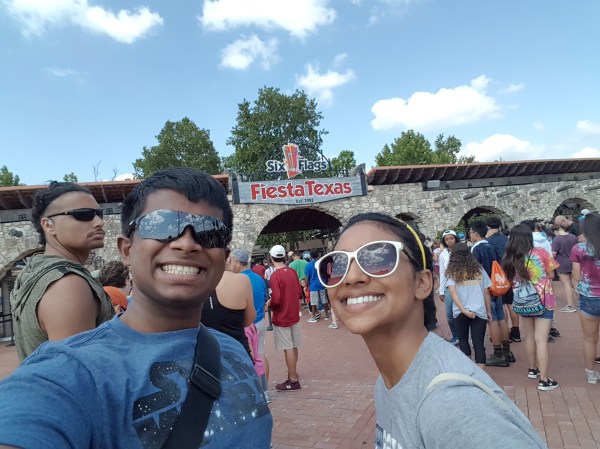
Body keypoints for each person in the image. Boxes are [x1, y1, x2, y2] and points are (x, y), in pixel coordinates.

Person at [0, 167, 273, 448]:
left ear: (223, 257)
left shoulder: (230, 348)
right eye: (162, 225)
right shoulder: (67, 374)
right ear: (126, 250)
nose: (186, 243)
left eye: (209, 232)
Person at [315, 212, 546, 448]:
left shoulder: (453, 403)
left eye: (378, 259)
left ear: (422, 282)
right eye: (338, 264)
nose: (351, 277)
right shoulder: (387, 383)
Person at [9, 181, 114, 361]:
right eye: (84, 214)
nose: (99, 222)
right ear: (48, 225)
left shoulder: (35, 271)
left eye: (99, 214)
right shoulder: (67, 284)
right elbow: (78, 370)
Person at [503, 224, 560, 391]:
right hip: (543, 299)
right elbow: (551, 274)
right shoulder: (540, 253)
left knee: (529, 336)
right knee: (541, 339)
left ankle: (532, 369)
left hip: (522, 301)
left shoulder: (508, 258)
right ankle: (544, 380)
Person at [229, 249, 271, 401]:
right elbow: (265, 298)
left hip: (246, 324)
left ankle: (255, 392)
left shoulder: (238, 280)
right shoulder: (258, 278)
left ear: (237, 262)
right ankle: (265, 390)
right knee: (260, 355)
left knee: (248, 358)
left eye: (232, 261)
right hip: (259, 321)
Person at [470, 220, 512, 367]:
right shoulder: (490, 246)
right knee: (501, 318)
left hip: (485, 288)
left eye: (471, 233)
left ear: (475, 233)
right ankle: (507, 350)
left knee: (491, 319)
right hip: (497, 285)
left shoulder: (476, 249)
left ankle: (498, 353)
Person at [446, 242, 492, 369]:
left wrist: (463, 310)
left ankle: (469, 371)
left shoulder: (452, 272)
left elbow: (453, 292)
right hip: (479, 310)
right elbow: (486, 292)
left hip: (460, 312)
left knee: (463, 340)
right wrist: (488, 311)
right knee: (478, 343)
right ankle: (481, 374)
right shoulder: (479, 270)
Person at [266, 244, 303, 391]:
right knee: (293, 346)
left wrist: (270, 303)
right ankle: (293, 372)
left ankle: (293, 380)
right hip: (294, 314)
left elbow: (276, 299)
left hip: (282, 316)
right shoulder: (292, 272)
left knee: (287, 348)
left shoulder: (275, 276)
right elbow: (298, 292)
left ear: (271, 258)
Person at [570, 213, 600, 384]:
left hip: (589, 297)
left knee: (590, 339)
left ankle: (591, 373)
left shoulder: (578, 249)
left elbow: (576, 276)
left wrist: (577, 293)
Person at [201, 270, 256, 358]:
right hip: (238, 354)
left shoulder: (190, 281)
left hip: (204, 357)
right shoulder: (241, 280)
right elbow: (249, 320)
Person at [486, 216, 520, 343]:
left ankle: (503, 332)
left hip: (497, 276)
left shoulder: (488, 242)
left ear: (488, 227)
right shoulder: (507, 239)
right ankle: (516, 331)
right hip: (510, 273)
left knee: (501, 304)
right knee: (511, 302)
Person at [551, 219, 579, 313]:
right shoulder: (573, 237)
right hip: (574, 262)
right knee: (575, 283)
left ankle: (570, 305)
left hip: (562, 263)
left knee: (567, 284)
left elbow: (553, 253)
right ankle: (581, 302)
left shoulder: (557, 239)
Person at [437, 230, 459, 345]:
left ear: (455, 238)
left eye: (451, 238)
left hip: (463, 286)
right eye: (446, 239)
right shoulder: (443, 254)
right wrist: (441, 290)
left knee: (465, 312)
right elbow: (442, 273)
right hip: (449, 288)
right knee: (450, 314)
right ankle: (456, 335)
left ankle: (465, 335)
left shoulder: (462, 250)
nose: (449, 241)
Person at [305, 250, 330, 322]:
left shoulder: (309, 265)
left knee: (313, 301)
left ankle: (313, 317)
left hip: (313, 285)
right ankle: (327, 315)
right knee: (324, 300)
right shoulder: (321, 263)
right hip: (321, 283)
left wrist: (306, 285)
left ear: (310, 256)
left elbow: (307, 276)